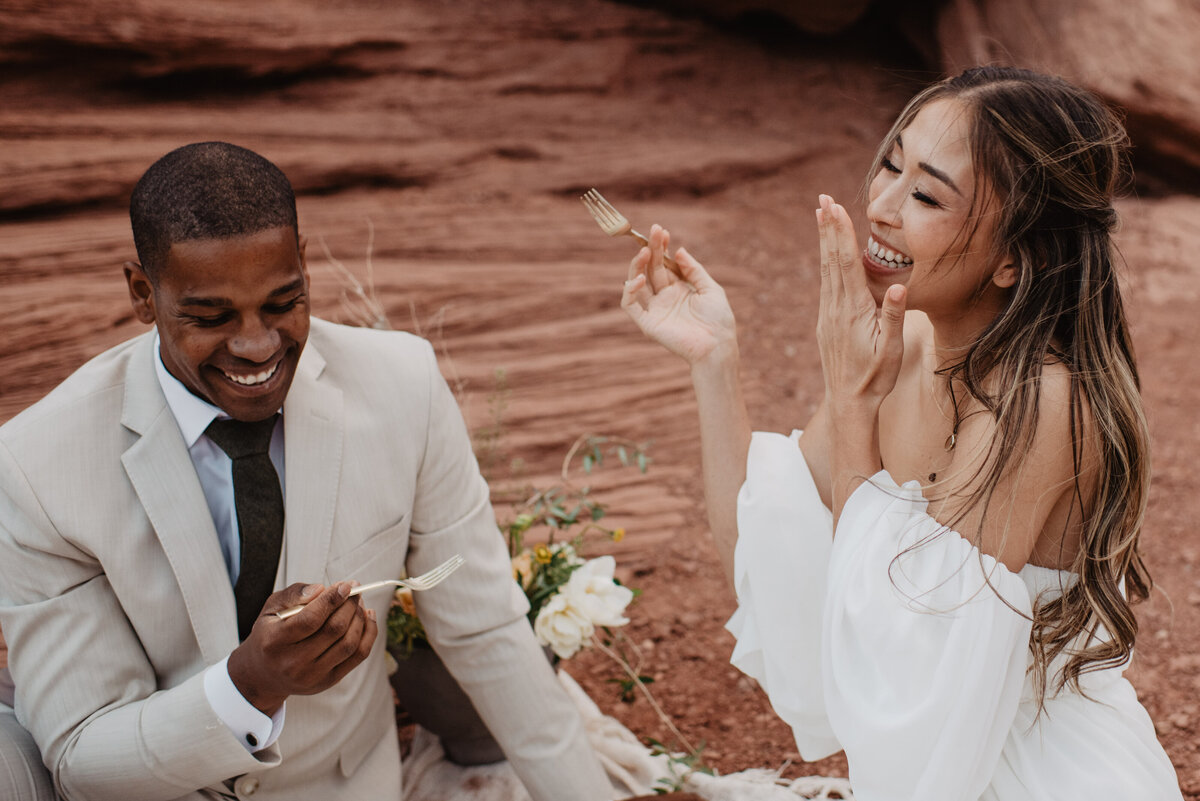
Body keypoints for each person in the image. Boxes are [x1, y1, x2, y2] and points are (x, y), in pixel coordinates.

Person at [620, 66, 1184, 800]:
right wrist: (714, 360)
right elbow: (764, 552)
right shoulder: (909, 342)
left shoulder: (1045, 403)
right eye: (891, 165)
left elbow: (905, 676)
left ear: (1016, 257)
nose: (882, 208)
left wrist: (854, 404)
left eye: (925, 194)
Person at [0, 142, 611, 800]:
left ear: (305, 267)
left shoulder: (403, 386)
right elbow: (83, 754)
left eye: (283, 301)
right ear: (143, 294)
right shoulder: (38, 465)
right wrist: (249, 685)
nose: (257, 344)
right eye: (212, 316)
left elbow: (486, 630)